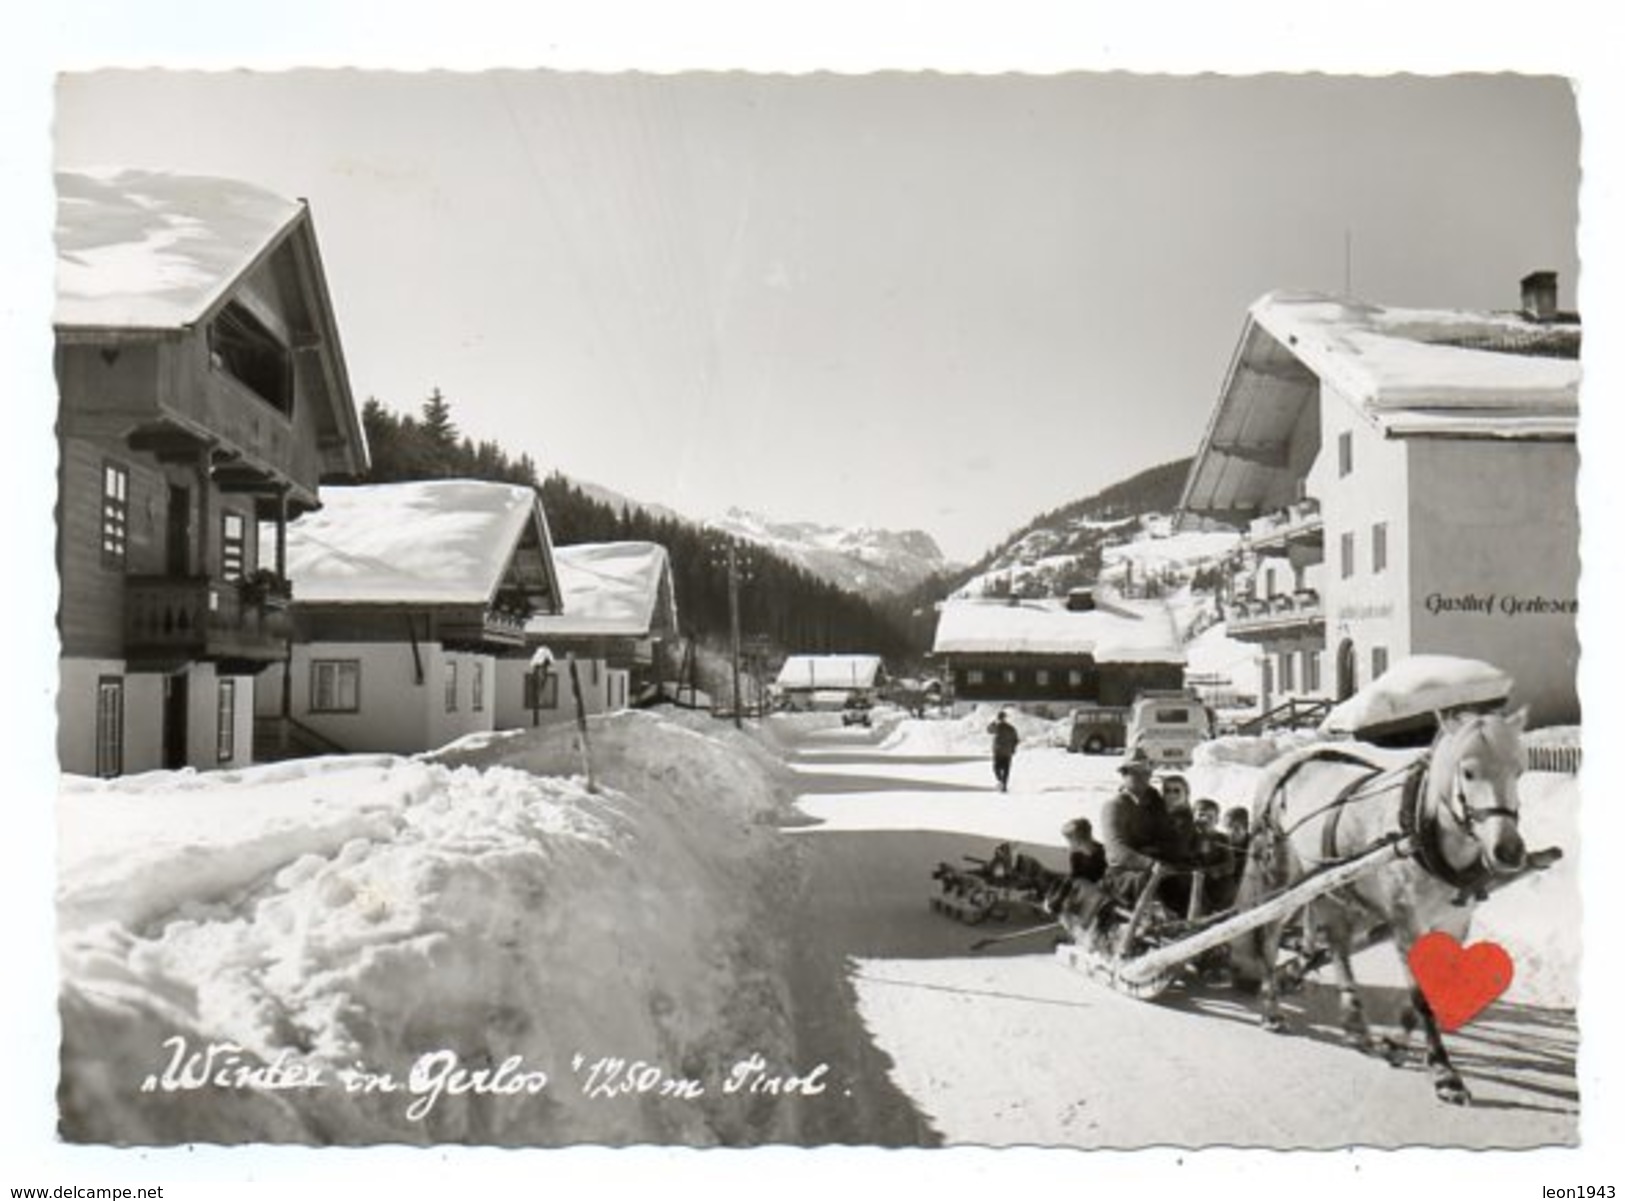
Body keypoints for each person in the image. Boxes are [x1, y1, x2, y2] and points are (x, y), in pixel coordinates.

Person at [986, 709, 1021, 792]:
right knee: (1006, 770)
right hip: (1007, 752)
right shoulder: (1011, 728)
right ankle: (1004, 785)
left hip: (998, 752)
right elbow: (1016, 740)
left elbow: (988, 730)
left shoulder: (997, 727)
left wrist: (993, 723)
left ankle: (1001, 781)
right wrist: (1013, 748)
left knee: (996, 768)